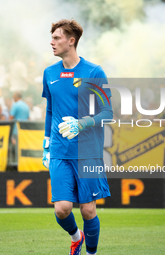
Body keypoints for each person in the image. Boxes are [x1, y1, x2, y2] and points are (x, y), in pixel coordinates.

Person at [41, 19, 113, 255]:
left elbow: (107, 112)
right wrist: (46, 143)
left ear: (71, 41)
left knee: (88, 211)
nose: (52, 42)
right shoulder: (49, 73)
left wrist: (81, 124)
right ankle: (76, 236)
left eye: (57, 38)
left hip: (87, 152)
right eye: (51, 37)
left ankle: (91, 254)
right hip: (60, 151)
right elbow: (51, 110)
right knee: (62, 209)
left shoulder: (93, 72)